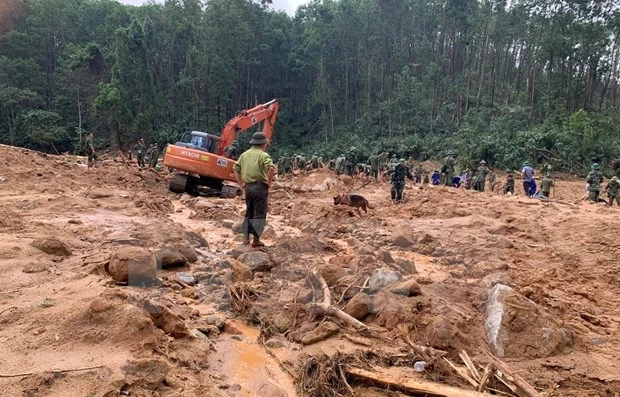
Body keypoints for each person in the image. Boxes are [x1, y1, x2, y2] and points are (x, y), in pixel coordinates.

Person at [233, 131, 276, 248]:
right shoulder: (263, 155)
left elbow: (236, 169)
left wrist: (241, 183)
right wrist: (268, 183)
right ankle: (256, 240)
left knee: (249, 211)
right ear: (264, 144)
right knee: (260, 213)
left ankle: (245, 239)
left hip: (248, 187)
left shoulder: (244, 155)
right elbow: (271, 169)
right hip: (259, 186)